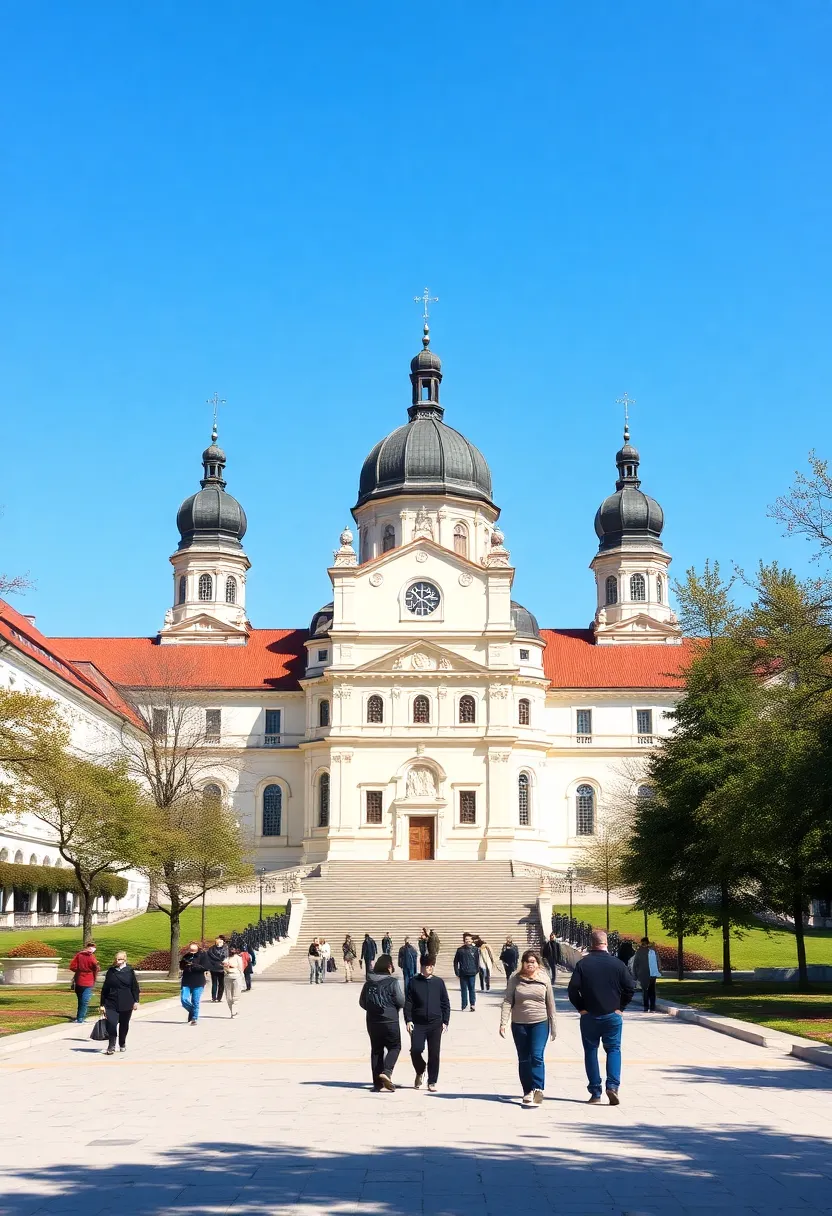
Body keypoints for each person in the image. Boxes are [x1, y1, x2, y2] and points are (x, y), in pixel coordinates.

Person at [567, 928, 636, 1105]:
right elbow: (630, 987)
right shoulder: (617, 964)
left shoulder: (583, 964)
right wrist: (621, 1007)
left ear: (591, 944)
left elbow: (573, 989)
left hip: (589, 1015)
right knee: (613, 1049)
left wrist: (581, 1008)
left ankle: (595, 1092)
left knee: (591, 1051)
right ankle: (612, 1087)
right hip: (612, 1014)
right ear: (606, 943)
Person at [500, 948, 557, 1106]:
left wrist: (554, 1027)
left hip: (540, 1022)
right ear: (522, 963)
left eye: (533, 962)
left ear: (538, 964)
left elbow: (551, 1004)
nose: (530, 965)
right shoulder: (515, 978)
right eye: (527, 962)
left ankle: (538, 1088)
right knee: (524, 1058)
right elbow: (507, 1001)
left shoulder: (544, 979)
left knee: (537, 1055)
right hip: (519, 1024)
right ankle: (527, 1090)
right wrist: (503, 1023)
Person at [358, 953, 405, 1092]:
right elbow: (401, 1001)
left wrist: (373, 1010)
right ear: (389, 967)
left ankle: (377, 1084)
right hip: (390, 1020)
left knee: (376, 1050)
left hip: (373, 1022)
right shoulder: (392, 982)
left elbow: (362, 1002)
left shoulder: (369, 983)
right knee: (395, 1046)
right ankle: (387, 1072)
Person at [405, 954, 450, 1092]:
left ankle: (432, 1081)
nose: (430, 968)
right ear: (422, 967)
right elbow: (408, 1003)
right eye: (427, 966)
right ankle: (420, 1069)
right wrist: (408, 1020)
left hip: (435, 1023)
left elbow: (445, 1002)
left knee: (434, 1053)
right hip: (418, 1023)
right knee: (415, 1050)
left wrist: (445, 1021)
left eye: (432, 966)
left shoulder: (439, 982)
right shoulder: (414, 982)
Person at [99, 951, 140, 1055]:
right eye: (116, 959)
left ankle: (122, 1043)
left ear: (125, 959)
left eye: (120, 959)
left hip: (126, 1001)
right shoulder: (111, 971)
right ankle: (111, 1046)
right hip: (111, 1002)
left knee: (124, 1024)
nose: (118, 961)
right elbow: (105, 988)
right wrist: (102, 1004)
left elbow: (134, 987)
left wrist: (136, 1001)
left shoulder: (129, 970)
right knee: (111, 1024)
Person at [68, 941, 99, 1024]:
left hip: (79, 979)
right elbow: (95, 967)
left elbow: (72, 966)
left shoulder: (79, 955)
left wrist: (79, 970)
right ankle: (80, 1018)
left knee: (80, 1000)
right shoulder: (92, 957)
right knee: (85, 1000)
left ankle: (79, 1017)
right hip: (89, 980)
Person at [180, 941, 209, 1024]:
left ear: (197, 948)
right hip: (186, 981)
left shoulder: (202, 956)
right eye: (190, 950)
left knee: (195, 1001)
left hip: (198, 981)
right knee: (184, 999)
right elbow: (181, 967)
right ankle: (193, 1011)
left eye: (193, 950)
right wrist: (184, 965)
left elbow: (205, 967)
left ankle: (194, 1018)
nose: (191, 951)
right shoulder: (186, 956)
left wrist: (193, 965)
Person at [632, 937, 661, 1012]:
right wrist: (659, 970)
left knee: (646, 991)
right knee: (651, 990)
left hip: (644, 974)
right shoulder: (653, 951)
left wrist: (635, 976)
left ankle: (646, 1007)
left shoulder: (639, 951)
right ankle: (652, 1008)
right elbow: (658, 961)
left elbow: (635, 964)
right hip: (652, 973)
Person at [453, 933, 480, 1012]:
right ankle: (464, 1005)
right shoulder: (460, 950)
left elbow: (477, 960)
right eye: (466, 939)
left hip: (472, 972)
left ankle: (472, 1004)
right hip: (463, 973)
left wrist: (476, 970)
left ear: (472, 940)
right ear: (464, 941)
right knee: (464, 989)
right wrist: (457, 972)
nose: (467, 941)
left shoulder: (475, 949)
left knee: (472, 988)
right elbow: (455, 961)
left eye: (469, 939)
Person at [223, 946, 245, 1017]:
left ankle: (234, 1011)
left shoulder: (238, 958)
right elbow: (224, 966)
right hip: (228, 977)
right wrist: (225, 966)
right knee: (228, 996)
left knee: (235, 996)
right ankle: (232, 1012)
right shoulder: (226, 958)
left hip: (236, 976)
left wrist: (242, 977)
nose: (231, 952)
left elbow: (241, 968)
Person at [206, 936, 228, 1002]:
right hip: (221, 968)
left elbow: (208, 959)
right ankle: (219, 998)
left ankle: (214, 997)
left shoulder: (211, 949)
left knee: (214, 983)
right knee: (221, 984)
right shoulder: (225, 949)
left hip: (213, 968)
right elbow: (225, 957)